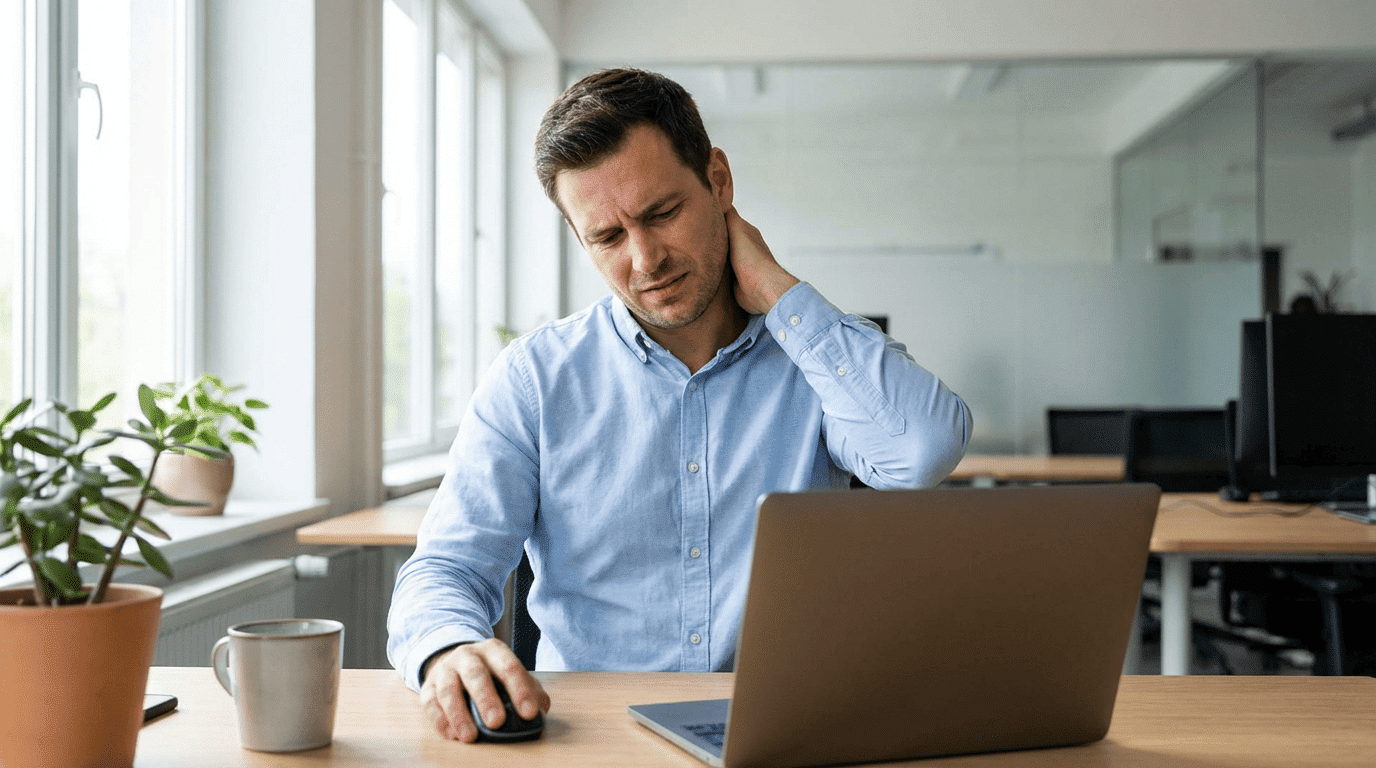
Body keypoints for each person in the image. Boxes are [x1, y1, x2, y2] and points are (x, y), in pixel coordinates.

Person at [387, 68, 973, 742]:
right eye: (607, 237)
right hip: (596, 741)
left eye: (662, 214)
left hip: (783, 730)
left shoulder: (817, 362)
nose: (645, 261)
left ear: (718, 181)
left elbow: (923, 451)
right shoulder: (534, 379)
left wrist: (778, 291)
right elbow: (446, 568)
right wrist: (447, 648)